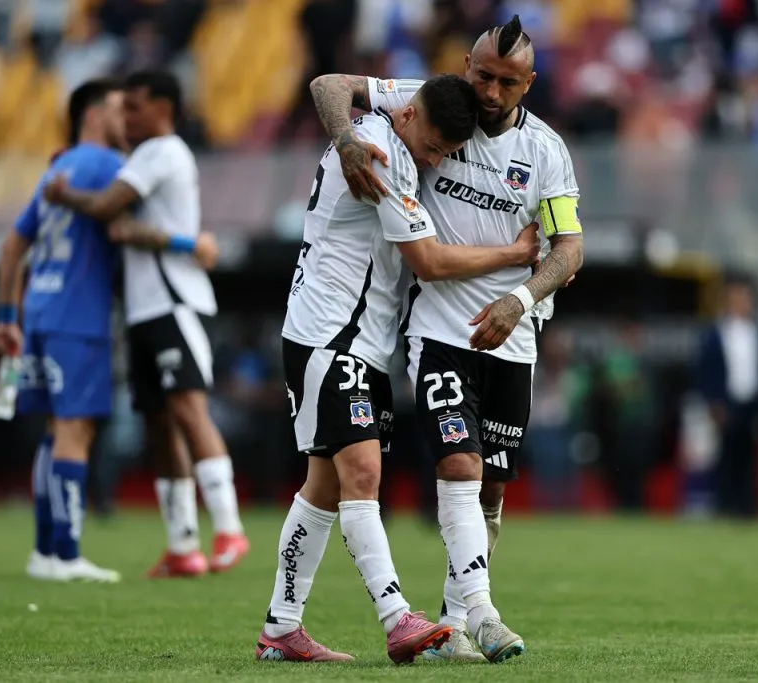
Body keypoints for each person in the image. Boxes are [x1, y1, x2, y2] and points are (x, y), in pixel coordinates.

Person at [308, 15, 583, 661]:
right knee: (459, 463)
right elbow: (328, 85)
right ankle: (484, 613)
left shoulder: (546, 151)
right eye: (482, 75)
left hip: (513, 337)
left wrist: (519, 300)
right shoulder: (423, 99)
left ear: (529, 84)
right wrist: (347, 141)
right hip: (438, 328)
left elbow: (569, 249)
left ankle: (453, 626)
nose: (490, 91)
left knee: (492, 490)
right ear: (466, 65)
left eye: (507, 83)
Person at [256, 74, 540, 664]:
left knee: (323, 487)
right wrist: (515, 254)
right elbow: (429, 262)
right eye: (433, 147)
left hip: (362, 341)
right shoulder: (378, 154)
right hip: (329, 334)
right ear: (409, 117)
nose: (434, 161)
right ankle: (397, 618)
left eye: (445, 154)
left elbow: (336, 83)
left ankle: (281, 627)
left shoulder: (411, 103)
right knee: (362, 474)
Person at [0, 78, 219, 581]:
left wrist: (6, 319)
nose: (128, 122)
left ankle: (44, 553)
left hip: (38, 310)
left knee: (55, 430)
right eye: (120, 110)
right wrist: (194, 245)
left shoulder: (57, 169)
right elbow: (123, 223)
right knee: (77, 428)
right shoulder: (110, 168)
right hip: (79, 315)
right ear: (95, 115)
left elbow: (11, 247)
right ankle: (66, 556)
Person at [42, 70, 249, 578]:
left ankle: (229, 528)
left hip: (175, 302)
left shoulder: (162, 150)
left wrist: (65, 196)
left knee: (188, 410)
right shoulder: (143, 156)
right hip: (144, 308)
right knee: (158, 424)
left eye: (134, 107)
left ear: (163, 108)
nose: (128, 117)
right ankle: (183, 545)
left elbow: (107, 208)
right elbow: (120, 224)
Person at [695, 275, 758, 518]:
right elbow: (705, 369)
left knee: (749, 458)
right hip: (727, 402)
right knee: (726, 456)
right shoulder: (716, 332)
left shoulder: (756, 332)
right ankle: (724, 504)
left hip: (751, 401)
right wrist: (713, 401)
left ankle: (747, 506)